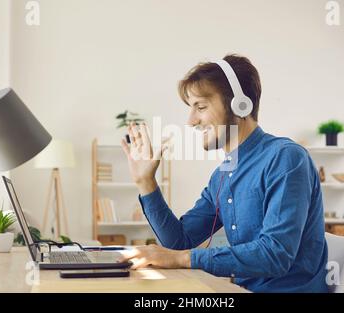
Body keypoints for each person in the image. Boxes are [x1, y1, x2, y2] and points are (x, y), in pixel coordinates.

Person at [119, 54, 328, 292]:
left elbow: (275, 254)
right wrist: (145, 182)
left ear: (239, 106)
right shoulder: (222, 176)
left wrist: (184, 258)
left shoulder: (285, 157)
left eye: (201, 107)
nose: (191, 121)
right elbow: (179, 242)